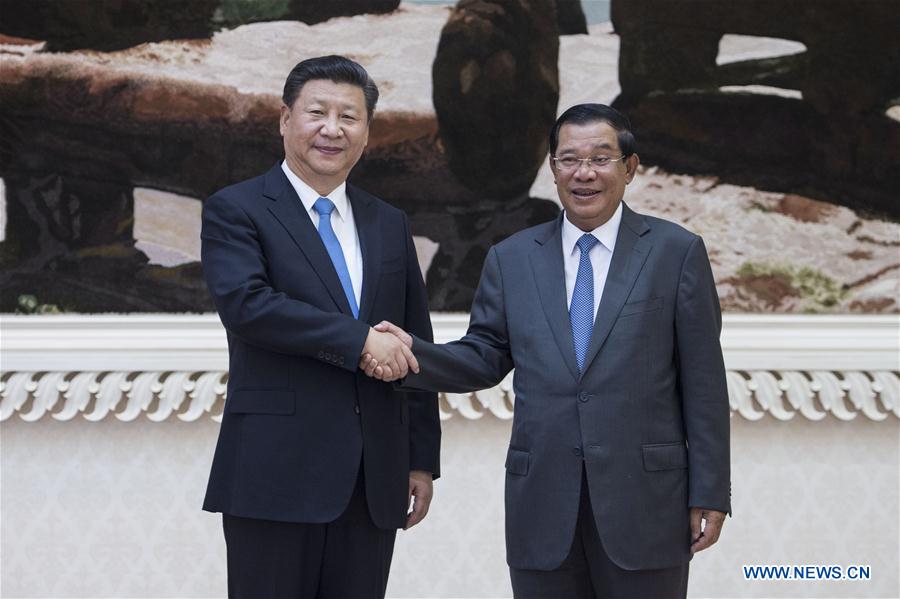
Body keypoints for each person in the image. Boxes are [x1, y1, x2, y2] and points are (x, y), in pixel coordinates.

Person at [364, 104, 730, 598]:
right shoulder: (511, 258)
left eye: (600, 158)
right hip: (542, 503)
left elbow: (703, 382)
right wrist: (413, 355)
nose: (584, 173)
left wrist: (709, 491)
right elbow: (485, 355)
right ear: (552, 168)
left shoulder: (675, 251)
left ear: (630, 168)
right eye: (568, 159)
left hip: (645, 503)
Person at [201, 55, 440, 599]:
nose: (332, 129)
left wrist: (421, 458)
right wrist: (359, 340)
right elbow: (248, 305)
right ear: (285, 120)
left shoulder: (388, 221)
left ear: (367, 132)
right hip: (274, 472)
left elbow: (412, 339)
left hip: (373, 480)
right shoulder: (236, 209)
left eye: (349, 117)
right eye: (317, 112)